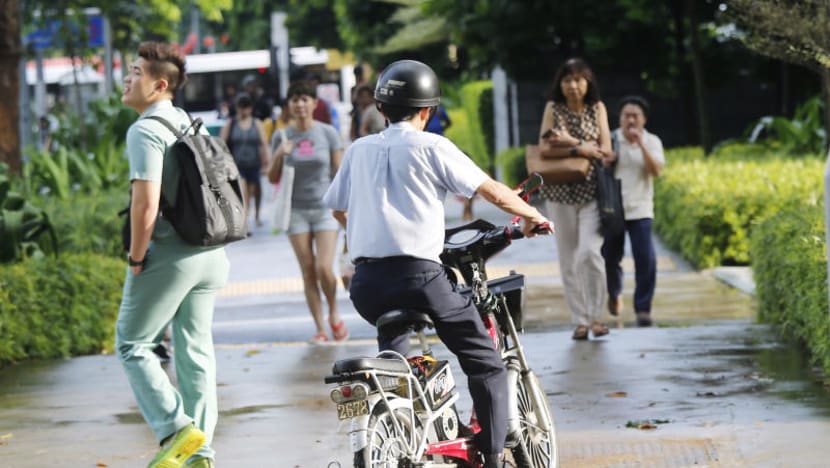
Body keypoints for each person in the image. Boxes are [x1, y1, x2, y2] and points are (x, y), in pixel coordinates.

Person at [323, 59, 551, 468]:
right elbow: (494, 193)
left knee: (393, 358)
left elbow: (337, 207)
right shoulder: (433, 146)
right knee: (487, 363)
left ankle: (400, 422)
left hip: (368, 284)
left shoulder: (359, 149)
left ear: (379, 107)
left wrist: (365, 227)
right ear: (427, 111)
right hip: (421, 277)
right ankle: (494, 457)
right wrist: (534, 217)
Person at [117, 41, 228, 468]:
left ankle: (175, 429)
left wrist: (136, 257)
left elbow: (145, 206)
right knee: (195, 350)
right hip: (211, 252)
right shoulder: (187, 122)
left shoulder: (145, 129)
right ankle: (200, 454)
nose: (127, 78)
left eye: (135, 71)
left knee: (132, 343)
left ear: (159, 84)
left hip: (170, 253)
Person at [538, 57, 614, 341]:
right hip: (559, 194)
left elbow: (604, 150)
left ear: (588, 82)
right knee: (568, 259)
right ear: (560, 83)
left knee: (589, 254)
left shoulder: (598, 108)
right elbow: (545, 148)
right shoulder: (553, 108)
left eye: (578, 80)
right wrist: (581, 149)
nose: (573, 85)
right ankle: (580, 321)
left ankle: (597, 317)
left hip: (592, 193)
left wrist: (570, 142)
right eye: (567, 80)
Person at [269, 80, 348, 343]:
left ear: (314, 104)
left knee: (325, 268)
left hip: (325, 209)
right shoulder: (280, 136)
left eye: (305, 99)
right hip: (295, 211)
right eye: (295, 99)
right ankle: (320, 328)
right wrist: (280, 153)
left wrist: (345, 207)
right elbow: (272, 176)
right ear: (288, 105)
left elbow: (339, 173)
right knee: (308, 269)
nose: (300, 104)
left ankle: (334, 314)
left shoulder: (327, 133)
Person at [602, 96, 665, 327]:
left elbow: (656, 170)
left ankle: (643, 308)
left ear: (643, 119)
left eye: (635, 115)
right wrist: (607, 161)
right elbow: (598, 167)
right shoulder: (611, 138)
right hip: (613, 209)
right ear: (619, 118)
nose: (630, 120)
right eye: (626, 115)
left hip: (641, 209)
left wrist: (641, 145)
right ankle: (615, 293)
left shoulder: (652, 141)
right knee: (610, 257)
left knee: (646, 259)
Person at [220, 93, 270, 229]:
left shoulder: (257, 123)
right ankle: (245, 222)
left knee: (255, 191)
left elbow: (264, 143)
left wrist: (267, 162)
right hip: (237, 164)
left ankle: (257, 215)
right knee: (244, 193)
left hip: (254, 163)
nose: (244, 110)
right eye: (241, 107)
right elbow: (221, 144)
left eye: (246, 107)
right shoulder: (231, 123)